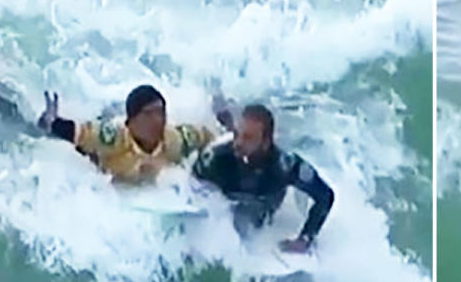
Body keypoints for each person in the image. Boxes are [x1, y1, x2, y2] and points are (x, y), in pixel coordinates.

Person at [193, 104, 334, 254]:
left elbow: (325, 196)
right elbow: (192, 188)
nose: (238, 143)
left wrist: (305, 239)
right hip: (227, 208)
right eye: (237, 135)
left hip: (263, 213)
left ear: (266, 143)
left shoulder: (284, 165)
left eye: (248, 138)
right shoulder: (215, 159)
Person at [37, 84, 221, 183]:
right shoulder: (113, 137)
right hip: (107, 165)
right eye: (149, 114)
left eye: (161, 112)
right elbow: (76, 133)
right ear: (131, 121)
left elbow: (208, 137)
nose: (158, 120)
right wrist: (52, 122)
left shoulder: (174, 138)